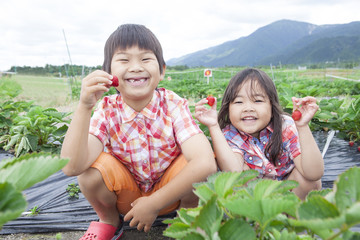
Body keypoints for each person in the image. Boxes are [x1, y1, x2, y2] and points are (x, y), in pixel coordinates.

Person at [61, 24, 216, 240]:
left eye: (145, 59)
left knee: (197, 160)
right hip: (127, 199)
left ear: (161, 71)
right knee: (90, 172)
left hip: (173, 192)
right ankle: (109, 220)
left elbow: (206, 163)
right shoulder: (106, 109)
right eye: (124, 60)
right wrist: (84, 107)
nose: (135, 67)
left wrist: (154, 203)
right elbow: (71, 166)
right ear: (109, 75)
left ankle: (189, 213)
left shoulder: (173, 104)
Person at [195, 68, 324, 200]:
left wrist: (302, 127)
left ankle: (292, 217)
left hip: (290, 194)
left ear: (272, 105)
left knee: (310, 181)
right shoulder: (230, 134)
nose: (248, 108)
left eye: (257, 101)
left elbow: (314, 173)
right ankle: (258, 219)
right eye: (239, 102)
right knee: (240, 176)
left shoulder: (285, 125)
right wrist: (213, 126)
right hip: (255, 198)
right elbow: (232, 172)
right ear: (228, 108)